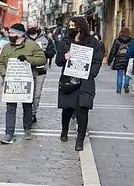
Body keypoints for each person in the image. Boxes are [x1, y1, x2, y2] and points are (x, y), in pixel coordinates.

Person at [55, 16, 104, 151]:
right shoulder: (64, 42)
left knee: (83, 109)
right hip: (69, 79)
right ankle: (64, 130)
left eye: (73, 25)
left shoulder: (92, 42)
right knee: (67, 108)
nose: (70, 28)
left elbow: (97, 60)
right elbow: (58, 61)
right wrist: (65, 57)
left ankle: (80, 140)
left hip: (85, 80)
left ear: (80, 27)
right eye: (69, 25)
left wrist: (91, 74)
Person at [0, 23, 47, 144]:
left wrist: (27, 59)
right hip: (11, 82)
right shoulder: (7, 47)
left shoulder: (32, 45)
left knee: (27, 106)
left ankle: (27, 129)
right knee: (10, 108)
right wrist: (5, 74)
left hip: (27, 82)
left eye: (12, 33)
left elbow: (42, 60)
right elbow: (0, 63)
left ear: (20, 35)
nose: (9, 35)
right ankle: (9, 133)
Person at [26, 22, 56, 125]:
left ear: (37, 27)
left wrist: (43, 54)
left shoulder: (46, 39)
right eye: (29, 26)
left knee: (37, 94)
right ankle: (28, 113)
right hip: (26, 70)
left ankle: (33, 113)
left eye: (33, 26)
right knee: (28, 94)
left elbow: (52, 52)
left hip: (40, 70)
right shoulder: (24, 39)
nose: (31, 28)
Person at [108, 27, 132, 93]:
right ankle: (126, 84)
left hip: (119, 58)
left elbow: (113, 50)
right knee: (128, 73)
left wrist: (109, 60)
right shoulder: (131, 40)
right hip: (128, 58)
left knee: (119, 74)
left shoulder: (117, 40)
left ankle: (118, 90)